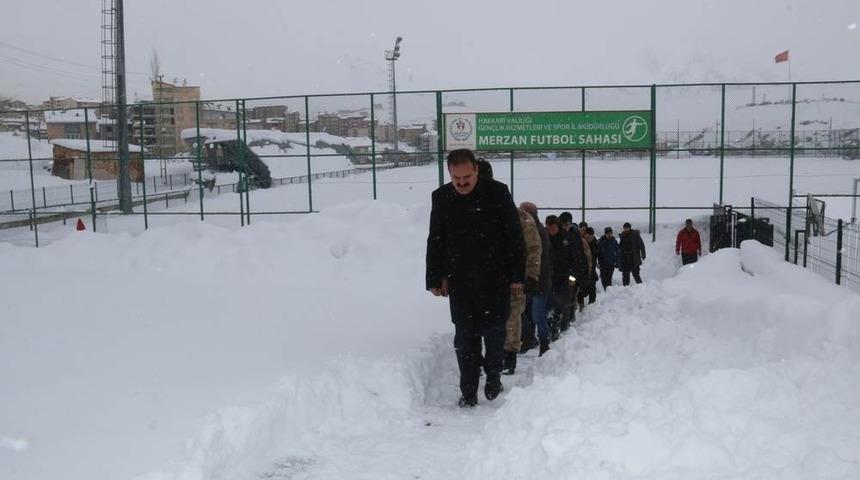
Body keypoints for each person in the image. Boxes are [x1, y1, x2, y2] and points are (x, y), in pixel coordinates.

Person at [426, 148, 525, 408]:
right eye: (456, 179)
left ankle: (493, 376)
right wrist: (435, 277)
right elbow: (436, 239)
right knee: (465, 339)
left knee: (494, 336)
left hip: (495, 279)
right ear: (449, 173)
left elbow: (514, 237)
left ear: (476, 170)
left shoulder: (498, 193)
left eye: (466, 178)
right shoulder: (442, 197)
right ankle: (468, 391)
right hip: (461, 281)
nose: (462, 183)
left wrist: (517, 275)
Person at [502, 205, 542, 375]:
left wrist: (532, 275)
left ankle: (509, 357)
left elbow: (534, 248)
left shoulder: (521, 219)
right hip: (492, 277)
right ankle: (498, 356)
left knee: (512, 317)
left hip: (515, 278)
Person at [520, 202, 552, 356]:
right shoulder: (534, 229)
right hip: (533, 279)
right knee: (528, 314)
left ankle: (544, 344)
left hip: (538, 280)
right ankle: (530, 340)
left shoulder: (536, 231)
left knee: (538, 316)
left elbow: (537, 258)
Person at [545, 215, 577, 340]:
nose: (551, 231)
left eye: (553, 228)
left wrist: (572, 278)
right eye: (548, 228)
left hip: (565, 277)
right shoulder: (545, 238)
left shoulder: (567, 239)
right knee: (551, 305)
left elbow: (575, 260)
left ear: (557, 226)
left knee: (563, 303)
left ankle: (563, 329)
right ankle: (552, 330)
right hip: (549, 277)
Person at [582, 227, 599, 304]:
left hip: (592, 270)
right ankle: (581, 306)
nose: (589, 237)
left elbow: (600, 255)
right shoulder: (581, 244)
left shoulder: (596, 243)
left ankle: (592, 305)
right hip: (582, 270)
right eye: (587, 235)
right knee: (582, 290)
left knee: (592, 288)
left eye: (591, 236)